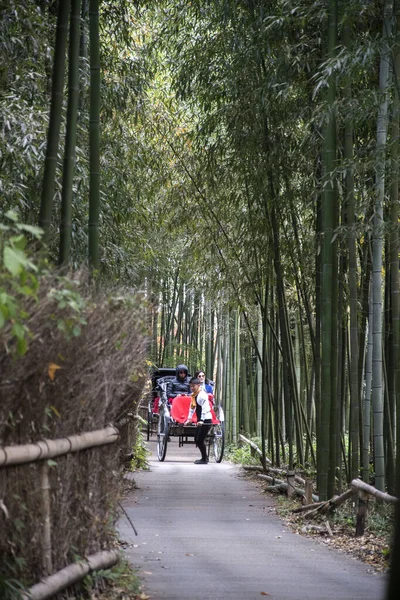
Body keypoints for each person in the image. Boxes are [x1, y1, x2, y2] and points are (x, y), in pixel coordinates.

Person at [184, 377, 212, 464]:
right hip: (201, 420)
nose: (191, 388)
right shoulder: (194, 395)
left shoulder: (202, 394)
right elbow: (192, 408)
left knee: (199, 440)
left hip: (206, 420)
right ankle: (204, 458)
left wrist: (202, 420)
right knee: (197, 439)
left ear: (198, 385)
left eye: (193, 386)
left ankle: (204, 459)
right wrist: (189, 418)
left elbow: (205, 408)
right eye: (190, 386)